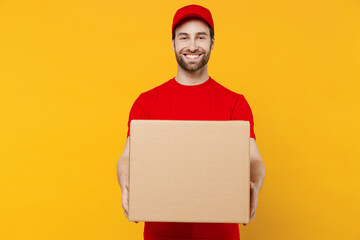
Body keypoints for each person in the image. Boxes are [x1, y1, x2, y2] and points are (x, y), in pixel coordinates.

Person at [117, 4, 265, 240]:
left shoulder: (235, 103)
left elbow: (253, 158)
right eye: (184, 37)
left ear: (212, 42)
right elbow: (128, 155)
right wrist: (126, 185)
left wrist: (254, 186)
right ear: (173, 43)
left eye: (201, 37)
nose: (193, 46)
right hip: (162, 232)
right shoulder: (147, 102)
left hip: (220, 233)